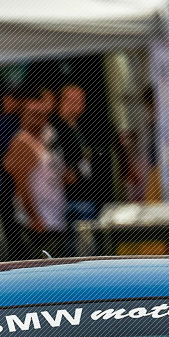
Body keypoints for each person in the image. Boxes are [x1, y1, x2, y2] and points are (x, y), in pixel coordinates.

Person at [2, 81, 67, 259]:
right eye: (33, 114)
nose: (38, 119)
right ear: (23, 116)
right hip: (38, 225)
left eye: (42, 114)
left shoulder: (46, 139)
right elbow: (21, 185)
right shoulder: (22, 143)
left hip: (53, 220)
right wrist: (34, 218)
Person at [54, 84, 98, 253]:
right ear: (60, 102)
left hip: (85, 194)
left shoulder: (80, 128)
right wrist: (64, 172)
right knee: (75, 251)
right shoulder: (56, 129)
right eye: (70, 101)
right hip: (68, 198)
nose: (76, 105)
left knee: (87, 248)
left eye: (79, 101)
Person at [0, 84, 23, 258]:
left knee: (16, 239)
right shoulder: (4, 123)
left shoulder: (14, 121)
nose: (11, 102)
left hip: (10, 189)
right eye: (8, 98)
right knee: (15, 240)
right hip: (9, 189)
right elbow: (2, 158)